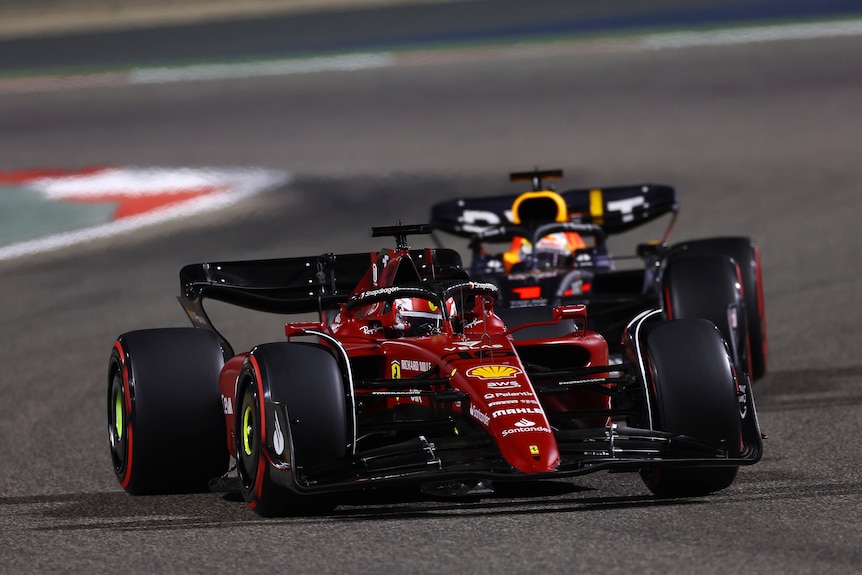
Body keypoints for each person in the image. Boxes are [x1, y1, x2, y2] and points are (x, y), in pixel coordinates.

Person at [502, 190, 585, 273]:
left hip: (561, 273)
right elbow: (512, 260)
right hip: (529, 274)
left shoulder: (567, 232)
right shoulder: (522, 235)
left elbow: (582, 257)